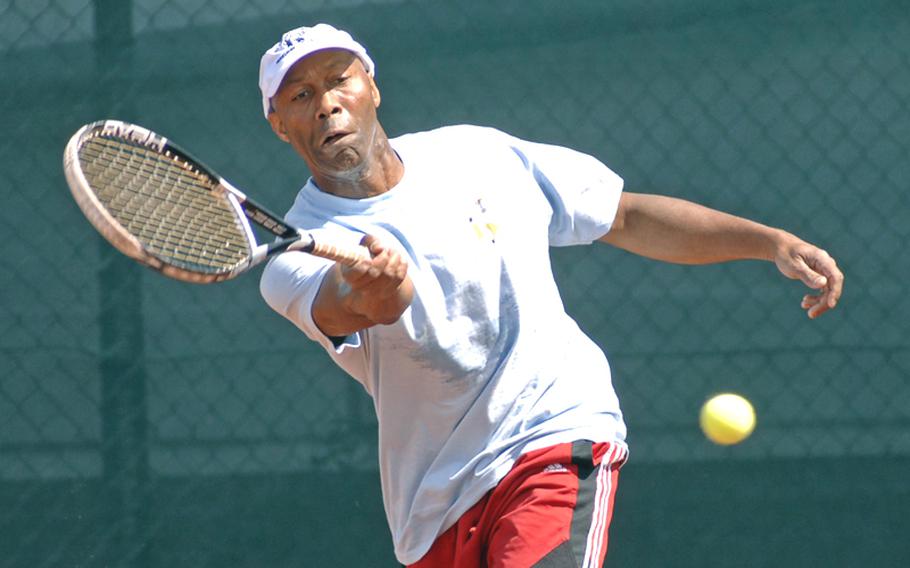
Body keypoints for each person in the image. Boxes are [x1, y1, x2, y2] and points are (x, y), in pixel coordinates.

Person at [256, 24, 843, 568]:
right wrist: (379, 287)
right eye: (301, 96)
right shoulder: (294, 258)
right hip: (434, 504)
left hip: (553, 434)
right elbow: (364, 306)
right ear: (280, 124)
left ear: (372, 87)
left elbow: (625, 216)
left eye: (340, 80)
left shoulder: (477, 154)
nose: (328, 102)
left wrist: (767, 241)